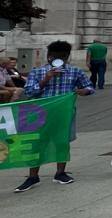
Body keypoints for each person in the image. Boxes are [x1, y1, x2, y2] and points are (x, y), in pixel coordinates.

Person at [14, 40, 94, 192]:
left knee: (61, 143)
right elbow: (30, 92)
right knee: (38, 143)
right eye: (56, 57)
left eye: (64, 57)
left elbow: (89, 87)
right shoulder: (38, 72)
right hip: (40, 114)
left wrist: (85, 91)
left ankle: (60, 173)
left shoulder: (75, 71)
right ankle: (33, 176)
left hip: (64, 114)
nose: (60, 60)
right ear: (49, 57)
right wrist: (47, 78)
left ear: (67, 57)